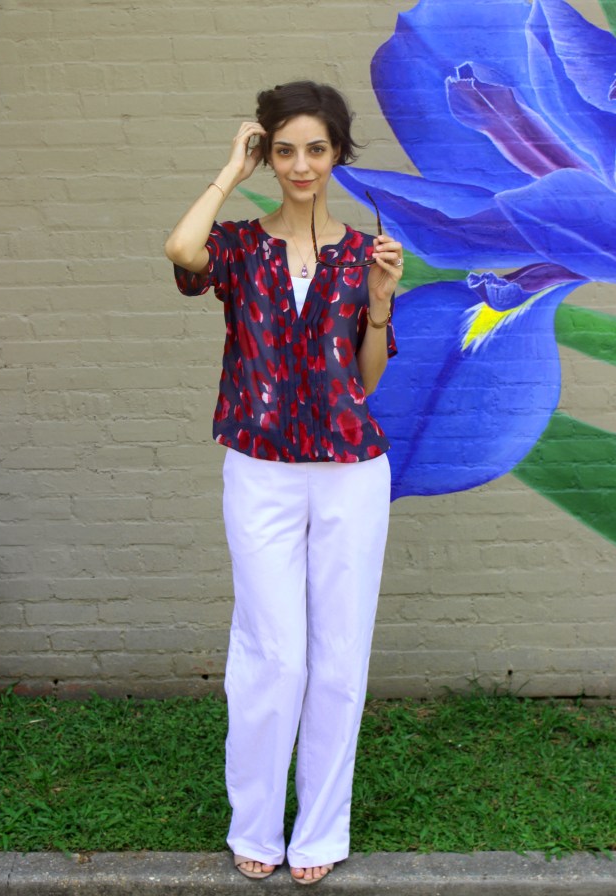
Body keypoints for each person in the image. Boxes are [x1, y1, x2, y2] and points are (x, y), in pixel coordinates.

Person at [165, 81, 403, 886]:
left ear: (337, 155)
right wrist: (230, 172)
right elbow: (180, 252)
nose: (302, 165)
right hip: (259, 471)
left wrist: (377, 307)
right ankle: (256, 825)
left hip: (349, 473)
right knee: (272, 656)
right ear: (268, 152)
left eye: (317, 149)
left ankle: (320, 833)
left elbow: (364, 385)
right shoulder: (239, 247)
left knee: (338, 659)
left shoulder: (359, 252)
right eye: (286, 149)